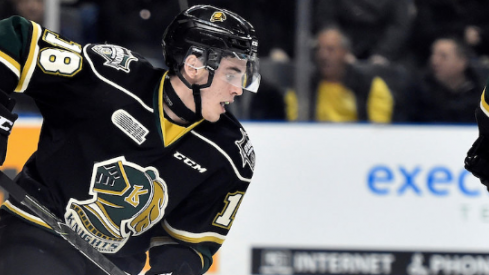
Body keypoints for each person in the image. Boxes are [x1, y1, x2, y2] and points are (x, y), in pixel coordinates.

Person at [0, 5, 259, 275]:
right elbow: (16, 38)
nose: (238, 89)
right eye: (231, 74)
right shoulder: (110, 77)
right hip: (36, 233)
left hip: (115, 267)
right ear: (194, 65)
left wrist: (173, 270)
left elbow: (188, 241)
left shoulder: (229, 153)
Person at [287, 26, 394, 122]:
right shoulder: (302, 88)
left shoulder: (371, 87)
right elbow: (297, 129)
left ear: (345, 53)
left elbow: (379, 132)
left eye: (330, 49)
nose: (323, 56)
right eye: (319, 49)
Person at [313, 0, 414, 66]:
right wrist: (342, 51)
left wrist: (383, 54)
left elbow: (399, 24)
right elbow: (326, 18)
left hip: (385, 51)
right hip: (343, 46)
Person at [408, 37, 482, 123]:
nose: (434, 61)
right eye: (433, 54)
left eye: (443, 56)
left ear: (462, 61)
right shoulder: (418, 92)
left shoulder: (480, 93)